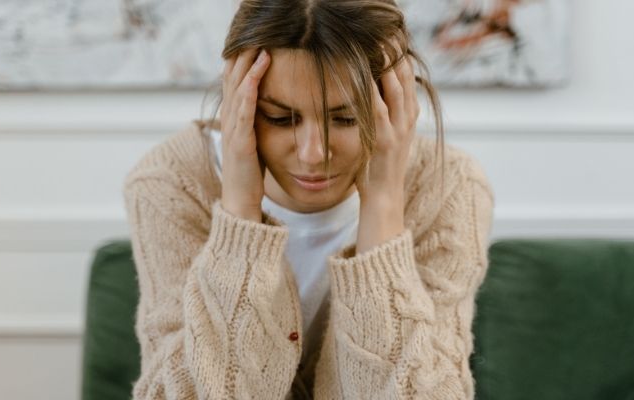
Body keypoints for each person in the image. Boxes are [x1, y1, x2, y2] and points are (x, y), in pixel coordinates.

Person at [122, 0, 495, 399]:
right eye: (280, 119)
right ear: (238, 102)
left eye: (346, 118)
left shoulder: (447, 186)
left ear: (394, 100)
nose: (313, 154)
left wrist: (383, 207)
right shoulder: (173, 184)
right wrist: (239, 220)